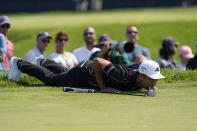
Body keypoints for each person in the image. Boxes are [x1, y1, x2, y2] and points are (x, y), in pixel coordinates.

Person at [8, 56, 164, 93]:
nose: (155, 83)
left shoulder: (141, 74)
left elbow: (141, 58)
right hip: (85, 73)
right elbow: (97, 61)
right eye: (153, 80)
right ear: (141, 77)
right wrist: (103, 87)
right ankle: (19, 63)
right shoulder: (122, 76)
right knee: (53, 80)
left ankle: (42, 62)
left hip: (86, 68)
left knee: (63, 74)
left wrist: (149, 83)